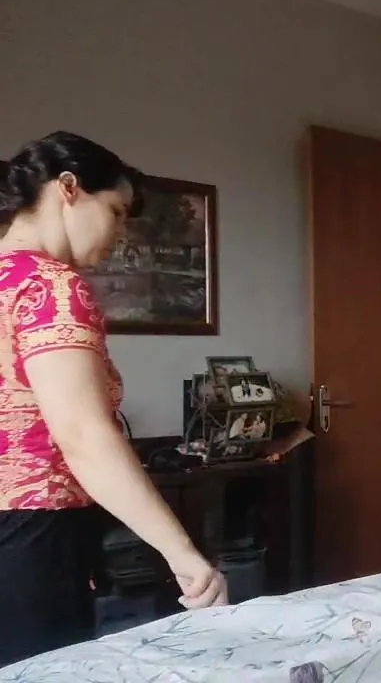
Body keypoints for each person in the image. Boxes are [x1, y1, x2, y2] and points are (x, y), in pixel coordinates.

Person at [0, 132, 227, 665]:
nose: (122, 232)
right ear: (69, 188)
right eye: (117, 212)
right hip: (31, 530)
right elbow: (82, 434)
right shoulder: (50, 285)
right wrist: (183, 554)